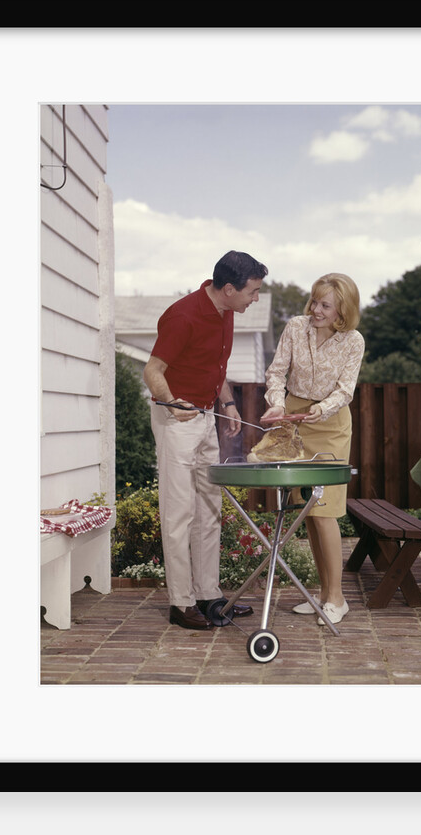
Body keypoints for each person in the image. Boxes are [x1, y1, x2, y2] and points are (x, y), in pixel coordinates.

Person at [143, 250, 269, 630]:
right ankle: (181, 604)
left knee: (209, 512)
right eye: (253, 291)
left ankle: (209, 595)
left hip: (205, 418)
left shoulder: (226, 312)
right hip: (176, 420)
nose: (256, 298)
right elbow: (153, 370)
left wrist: (227, 402)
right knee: (180, 514)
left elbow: (217, 366)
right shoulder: (183, 316)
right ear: (229, 289)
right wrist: (170, 401)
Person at [260, 273, 364, 625]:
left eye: (325, 305)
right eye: (314, 301)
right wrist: (277, 404)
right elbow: (276, 373)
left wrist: (319, 410)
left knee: (325, 509)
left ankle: (337, 598)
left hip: (331, 425)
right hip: (293, 419)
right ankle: (321, 594)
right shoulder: (295, 327)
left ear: (342, 310)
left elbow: (346, 390)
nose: (315, 309)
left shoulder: (353, 341)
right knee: (307, 510)